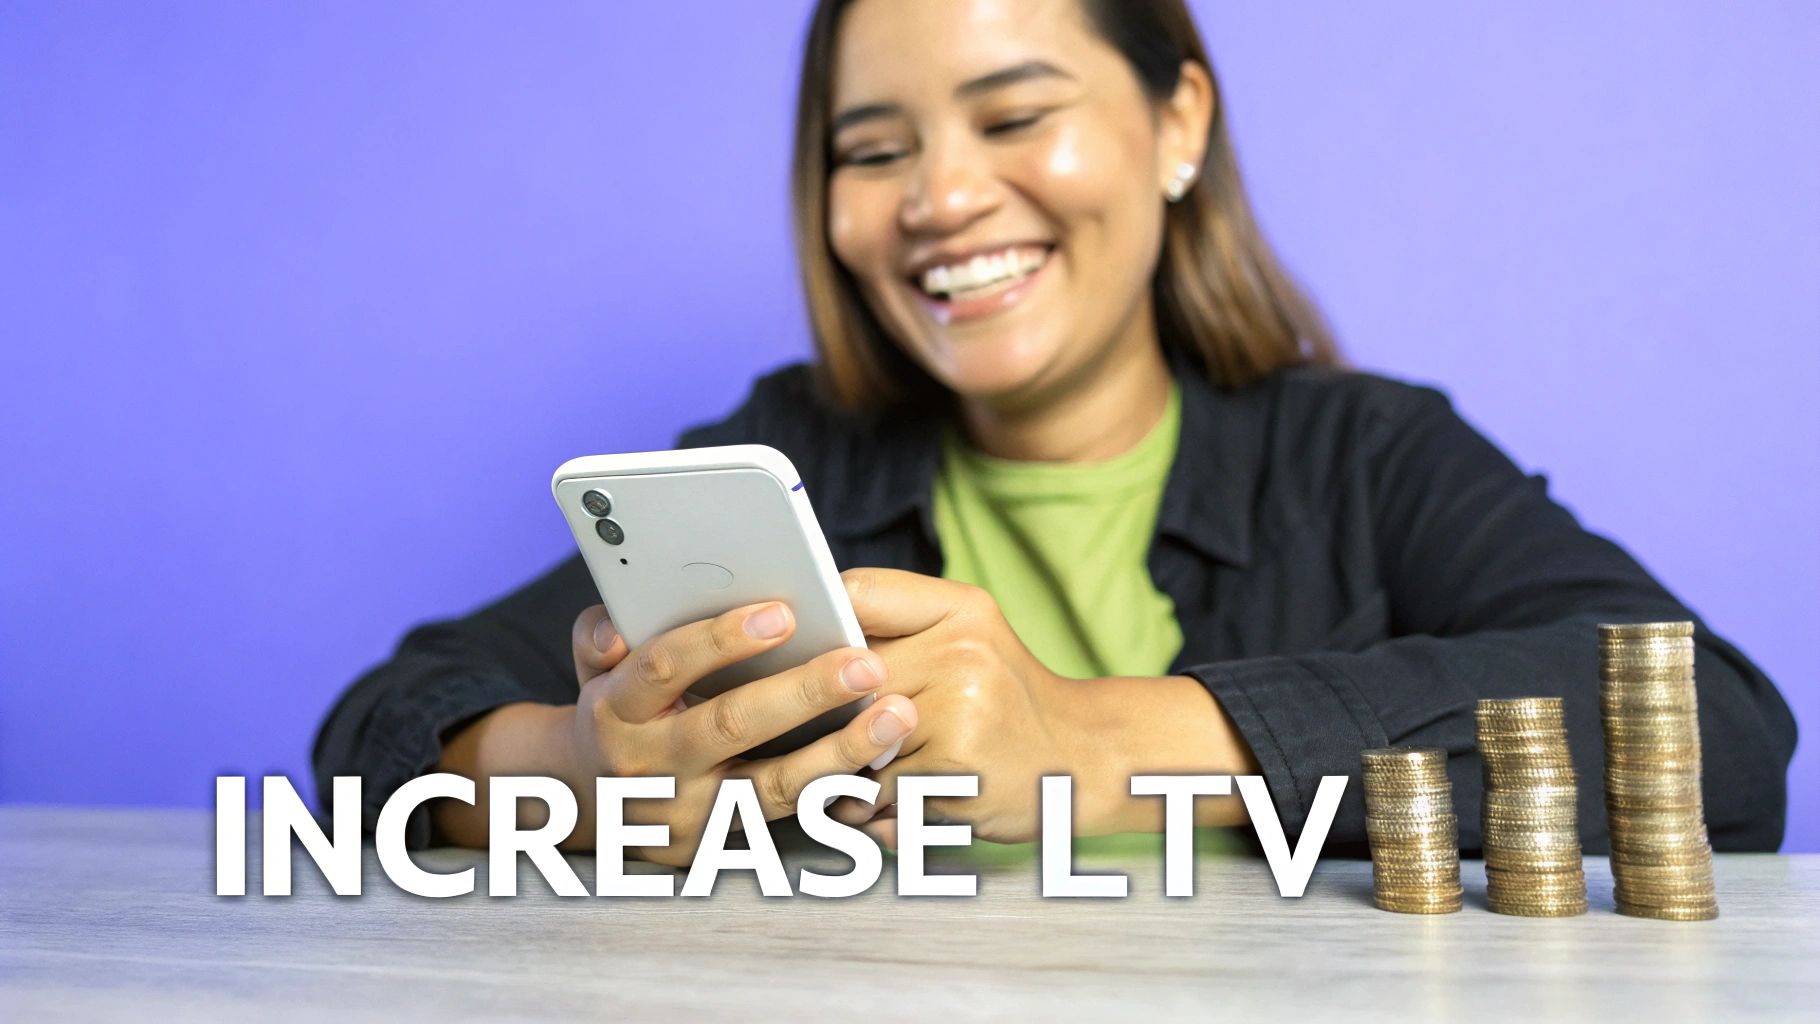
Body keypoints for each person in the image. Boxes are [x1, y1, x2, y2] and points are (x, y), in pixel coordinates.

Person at [313, 0, 1796, 864]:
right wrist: (580, 771)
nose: (939, 199)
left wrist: (1095, 742)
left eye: (1015, 117)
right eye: (872, 149)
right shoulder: (796, 455)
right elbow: (377, 730)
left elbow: (1722, 734)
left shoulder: (1367, 459)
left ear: (1177, 125)